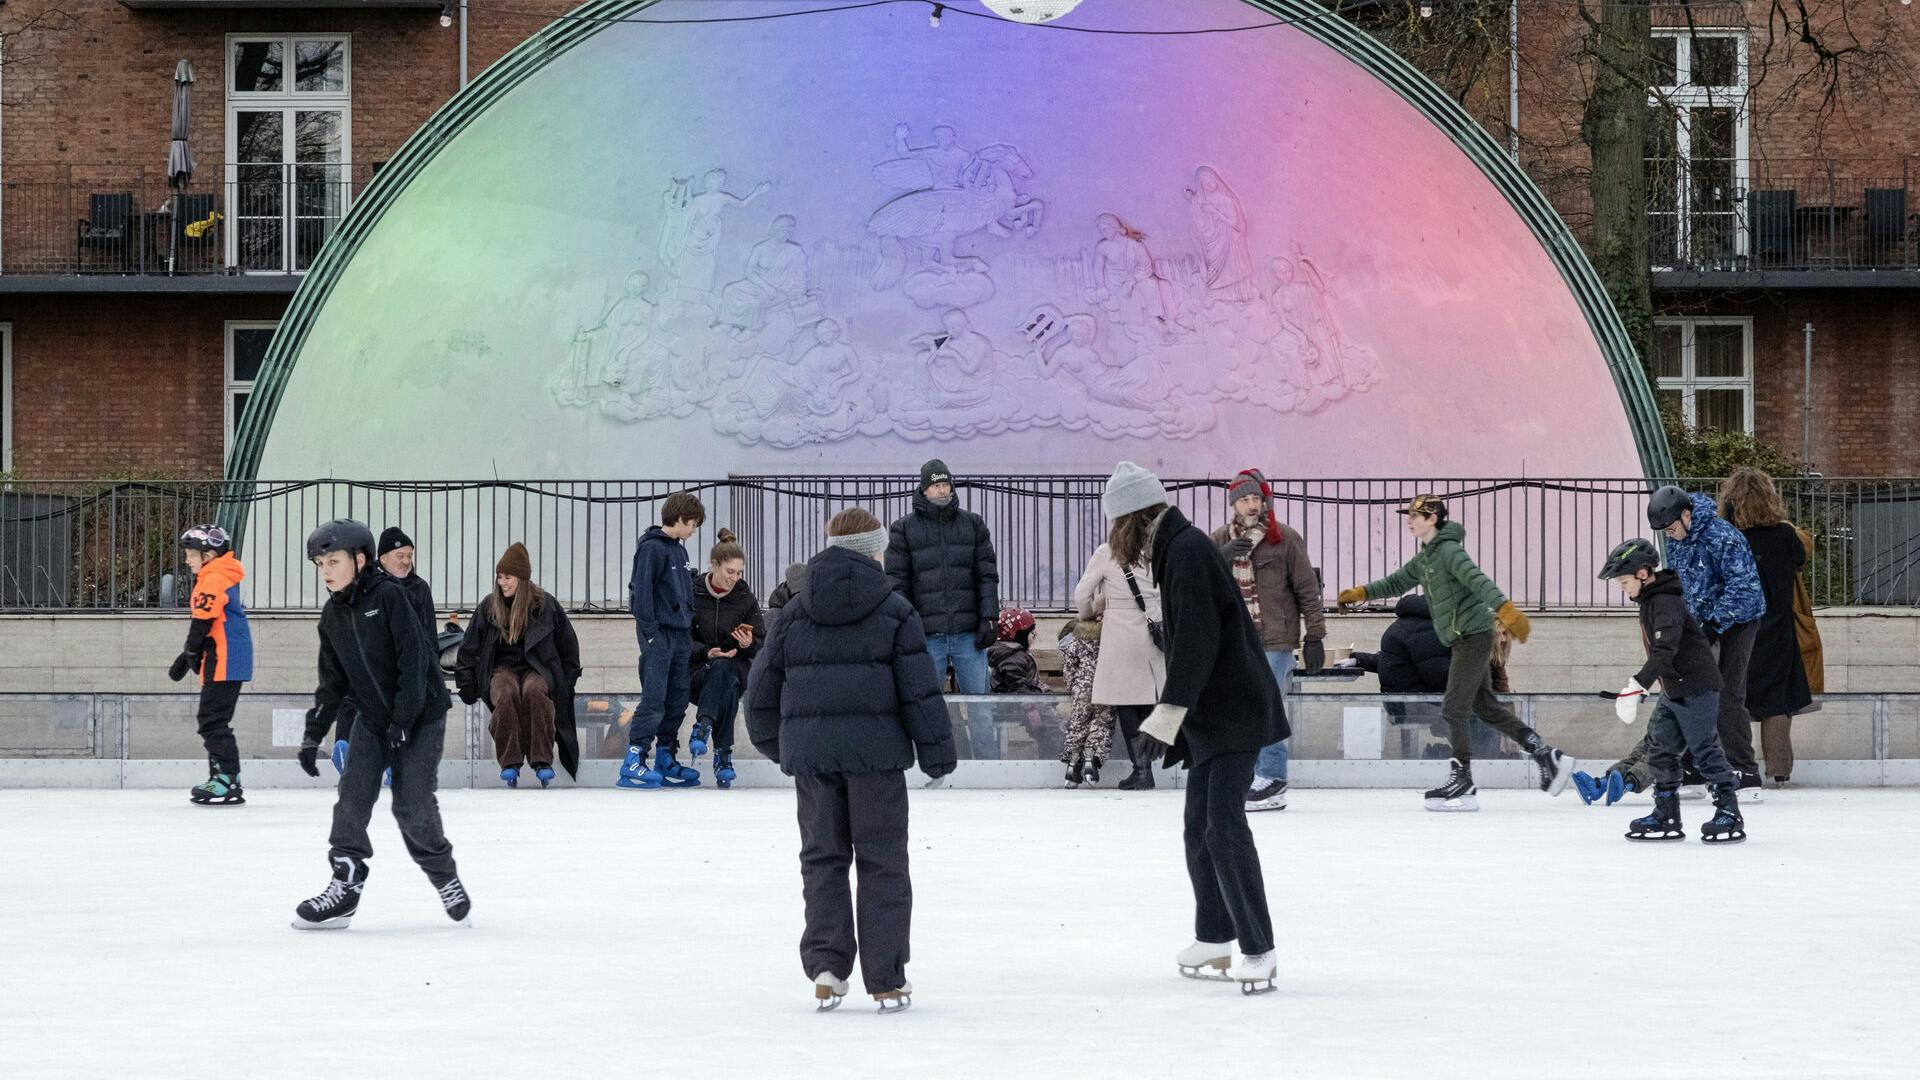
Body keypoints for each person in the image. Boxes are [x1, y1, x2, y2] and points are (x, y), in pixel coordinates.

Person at [745, 507, 957, 1012]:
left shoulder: (793, 611)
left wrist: (787, 748)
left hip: (815, 762)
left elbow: (759, 697)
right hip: (877, 761)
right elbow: (918, 691)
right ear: (874, 551)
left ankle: (826, 966)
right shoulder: (896, 610)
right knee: (883, 863)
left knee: (822, 859)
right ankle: (884, 977)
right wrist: (937, 755)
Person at [1105, 462, 1282, 993]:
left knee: (1224, 829)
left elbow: (1200, 643)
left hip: (1234, 713)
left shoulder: (1184, 553)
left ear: (1134, 519)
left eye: (1117, 526)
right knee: (1198, 826)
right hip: (1215, 715)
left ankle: (1259, 948)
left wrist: (1165, 718)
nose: (1117, 540)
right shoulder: (1176, 549)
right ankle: (1213, 936)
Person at [1335, 494, 1571, 811]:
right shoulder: (1426, 558)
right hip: (1462, 639)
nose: (1409, 520)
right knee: (1487, 708)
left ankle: (1463, 781)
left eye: (1415, 516)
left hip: (1473, 636)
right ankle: (1546, 755)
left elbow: (1478, 581)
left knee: (1453, 707)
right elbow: (1396, 582)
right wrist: (1360, 593)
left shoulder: (1449, 552)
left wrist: (1507, 612)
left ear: (1432, 518)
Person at [293, 520, 468, 930]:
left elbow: (416, 662)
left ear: (360, 559)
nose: (326, 571)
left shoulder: (389, 597)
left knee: (411, 806)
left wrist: (404, 719)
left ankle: (444, 877)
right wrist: (313, 733)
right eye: (320, 564)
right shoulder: (333, 615)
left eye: (333, 561)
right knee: (352, 795)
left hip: (421, 713)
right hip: (373, 718)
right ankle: (346, 884)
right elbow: (332, 682)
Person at [1597, 538, 1745, 844]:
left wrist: (1636, 685)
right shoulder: (1651, 601)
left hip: (1697, 688)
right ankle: (1666, 815)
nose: (1622, 588)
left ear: (1642, 574)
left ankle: (1729, 811)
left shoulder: (1665, 602)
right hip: (1673, 689)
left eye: (1624, 581)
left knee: (1705, 751)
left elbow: (1665, 649)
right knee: (1661, 749)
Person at [1210, 468, 1325, 813]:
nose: (1250, 505)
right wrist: (1222, 557)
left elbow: (1307, 589)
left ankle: (1272, 776)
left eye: (1255, 498)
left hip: (1275, 638)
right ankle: (1253, 774)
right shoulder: (1219, 539)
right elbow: (1202, 584)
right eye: (1244, 499)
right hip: (1236, 639)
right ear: (1234, 504)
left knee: (1267, 705)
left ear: (1264, 501)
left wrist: (1314, 636)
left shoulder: (1284, 538)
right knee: (1243, 708)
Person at [1646, 484, 1767, 795]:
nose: (1670, 535)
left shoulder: (1723, 537)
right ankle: (1697, 766)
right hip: (1702, 622)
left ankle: (1744, 769)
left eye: (1672, 528)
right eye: (1665, 531)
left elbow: (1745, 589)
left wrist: (1715, 623)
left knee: (1727, 693)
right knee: (1693, 691)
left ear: (1687, 515)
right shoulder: (1677, 540)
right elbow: (1682, 580)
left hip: (1739, 620)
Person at [886, 459, 1000, 758]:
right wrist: (908, 627)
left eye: (945, 484)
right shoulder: (903, 529)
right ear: (923, 489)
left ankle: (989, 769)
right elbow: (897, 583)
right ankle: (930, 763)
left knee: (981, 710)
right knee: (925, 707)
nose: (942, 490)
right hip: (926, 635)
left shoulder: (972, 524)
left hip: (968, 634)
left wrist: (989, 618)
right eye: (936, 485)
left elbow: (986, 575)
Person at [453, 542, 583, 789]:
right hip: (501, 669)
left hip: (539, 668)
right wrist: (466, 682)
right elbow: (469, 647)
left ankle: (542, 760)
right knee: (506, 691)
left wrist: (567, 679)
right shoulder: (489, 606)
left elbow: (568, 645)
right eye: (500, 577)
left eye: (509, 577)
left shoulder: (545, 606)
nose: (503, 582)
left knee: (534, 691)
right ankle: (510, 762)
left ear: (522, 579)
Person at [1717, 468, 1816, 787]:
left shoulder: (1728, 537)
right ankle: (1779, 770)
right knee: (1777, 703)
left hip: (1737, 630)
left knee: (1733, 700)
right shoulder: (1785, 535)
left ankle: (1735, 765)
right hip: (1778, 629)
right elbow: (1801, 558)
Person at [1074, 506, 1168, 792]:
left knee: (1127, 703)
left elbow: (1081, 595)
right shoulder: (1156, 551)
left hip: (1120, 635)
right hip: (1153, 630)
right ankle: (1150, 765)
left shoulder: (1107, 552)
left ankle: (1141, 770)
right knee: (1148, 699)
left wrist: (1091, 611)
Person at [620, 490, 705, 789]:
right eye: (693, 523)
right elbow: (640, 595)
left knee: (677, 699)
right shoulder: (651, 550)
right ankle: (634, 759)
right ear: (680, 518)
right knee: (654, 699)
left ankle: (666, 755)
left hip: (681, 636)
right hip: (659, 637)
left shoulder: (679, 551)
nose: (694, 530)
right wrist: (651, 635)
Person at [169, 525, 254, 806]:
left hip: (225, 659)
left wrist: (191, 648)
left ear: (209, 554)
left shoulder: (214, 576)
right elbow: (211, 621)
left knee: (212, 720)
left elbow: (203, 618)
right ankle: (221, 777)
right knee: (213, 720)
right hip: (224, 657)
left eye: (192, 554)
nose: (187, 560)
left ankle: (227, 779)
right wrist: (190, 653)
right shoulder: (217, 574)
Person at [688, 529, 766, 790]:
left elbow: (760, 644)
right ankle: (723, 755)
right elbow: (681, 638)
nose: (736, 578)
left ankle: (704, 725)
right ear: (714, 565)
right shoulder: (693, 592)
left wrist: (747, 643)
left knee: (726, 671)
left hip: (735, 667)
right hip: (698, 669)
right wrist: (706, 652)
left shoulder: (745, 598)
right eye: (730, 572)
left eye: (739, 572)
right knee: (724, 678)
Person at [1056, 618, 1113, 788]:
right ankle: (1091, 758)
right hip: (1104, 687)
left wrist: (1074, 687)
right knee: (1102, 723)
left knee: (1078, 726)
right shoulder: (1107, 642)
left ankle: (1073, 766)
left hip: (1081, 689)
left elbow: (1069, 669)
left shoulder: (1075, 643)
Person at [988, 607, 1044, 694]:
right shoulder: (1014, 659)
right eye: (1031, 632)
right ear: (1019, 636)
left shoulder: (1014, 654)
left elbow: (1032, 682)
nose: (1035, 635)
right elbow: (1019, 690)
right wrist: (1041, 697)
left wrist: (1044, 691)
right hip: (1017, 705)